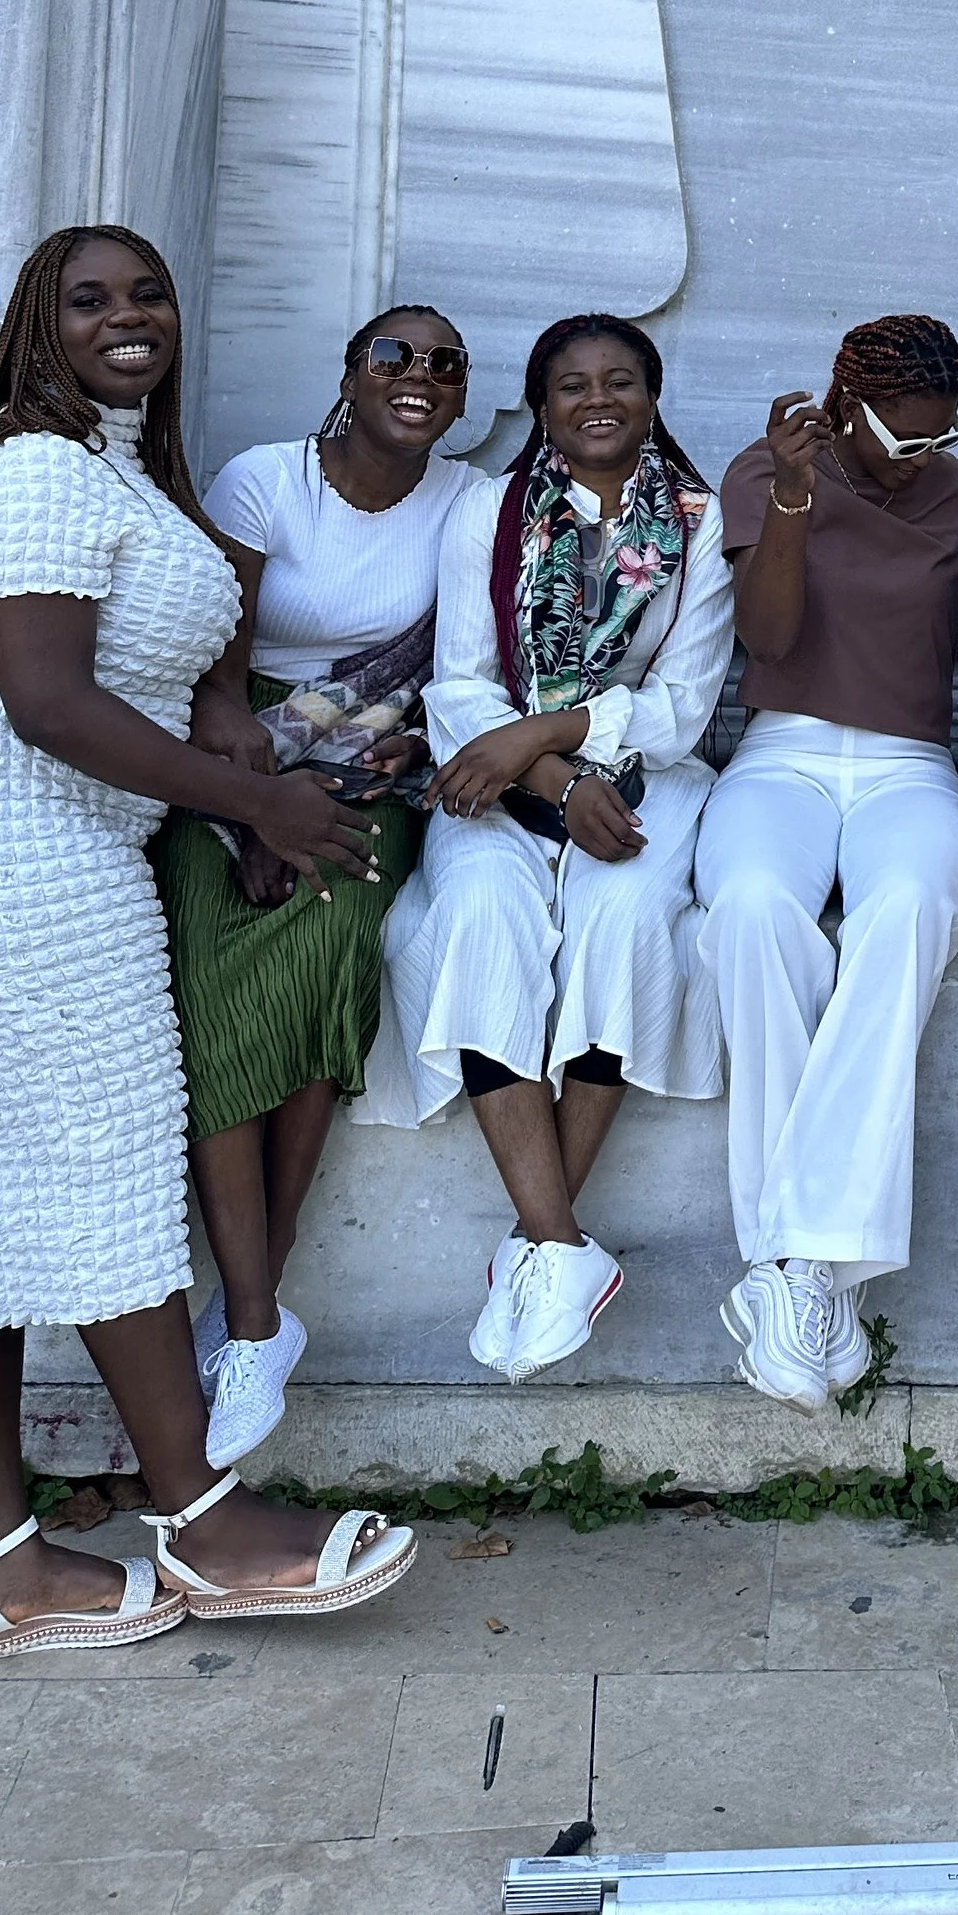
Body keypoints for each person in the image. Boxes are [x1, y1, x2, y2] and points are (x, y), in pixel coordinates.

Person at [0, 227, 415, 1662]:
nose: (127, 315)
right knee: (104, 1156)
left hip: (9, 843)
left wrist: (226, 727)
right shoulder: (33, 468)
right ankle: (201, 1517)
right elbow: (49, 703)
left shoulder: (116, 474)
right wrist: (259, 791)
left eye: (148, 289)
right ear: (39, 326)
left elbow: (168, 654)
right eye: (88, 299)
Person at [360, 313, 733, 1382]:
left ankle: (537, 1249)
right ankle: (560, 1245)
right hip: (497, 781)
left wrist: (559, 733)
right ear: (540, 405)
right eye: (572, 385)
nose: (598, 399)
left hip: (647, 785)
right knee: (479, 914)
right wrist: (549, 776)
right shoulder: (487, 508)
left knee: (626, 918)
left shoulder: (698, 528)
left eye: (621, 380)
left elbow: (684, 704)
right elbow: (464, 681)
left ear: (653, 397)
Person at [150, 305, 476, 1463]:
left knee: (332, 944)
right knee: (215, 975)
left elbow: (463, 665)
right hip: (233, 767)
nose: (419, 377)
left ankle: (247, 1321)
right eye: (394, 356)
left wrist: (412, 748)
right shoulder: (263, 483)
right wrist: (256, 808)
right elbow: (214, 674)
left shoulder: (462, 503)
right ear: (351, 373)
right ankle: (255, 1318)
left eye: (445, 365)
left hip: (370, 772)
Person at [695, 315, 958, 1409]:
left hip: (913, 763)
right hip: (783, 752)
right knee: (752, 904)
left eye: (941, 433)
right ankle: (807, 1269)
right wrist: (786, 496)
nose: (926, 454)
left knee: (912, 904)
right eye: (903, 437)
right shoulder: (767, 471)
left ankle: (796, 1266)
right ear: (844, 401)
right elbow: (767, 642)